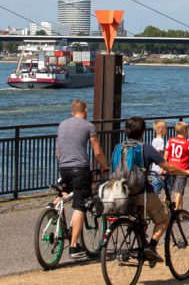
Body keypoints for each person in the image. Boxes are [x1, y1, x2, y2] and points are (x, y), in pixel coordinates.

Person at [119, 116, 189, 263]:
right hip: (140, 192)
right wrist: (185, 172)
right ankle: (151, 247)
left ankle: (140, 244)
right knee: (165, 216)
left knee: (142, 221)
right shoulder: (146, 148)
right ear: (143, 131)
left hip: (121, 192)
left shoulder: (119, 147)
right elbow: (168, 167)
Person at [56, 99, 108, 259]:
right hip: (80, 169)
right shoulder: (88, 125)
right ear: (85, 111)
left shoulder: (62, 124)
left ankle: (53, 213)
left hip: (64, 167)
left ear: (72, 111)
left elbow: (58, 150)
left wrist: (62, 163)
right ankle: (73, 247)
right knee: (80, 205)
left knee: (64, 195)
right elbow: (97, 150)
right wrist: (104, 166)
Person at [149, 120, 168, 194]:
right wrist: (163, 168)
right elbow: (160, 156)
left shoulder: (154, 140)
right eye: (166, 129)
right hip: (160, 170)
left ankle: (153, 204)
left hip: (154, 169)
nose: (167, 130)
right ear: (161, 130)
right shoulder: (161, 141)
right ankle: (167, 204)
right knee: (168, 189)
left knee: (155, 191)